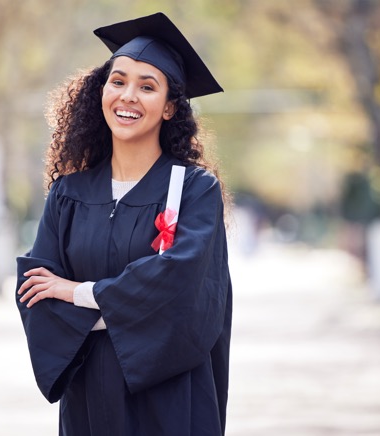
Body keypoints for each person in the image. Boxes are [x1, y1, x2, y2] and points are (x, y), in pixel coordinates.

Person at [15, 12, 232, 436]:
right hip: (89, 403)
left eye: (147, 86)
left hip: (170, 399)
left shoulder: (192, 190)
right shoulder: (68, 194)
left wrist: (79, 293)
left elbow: (185, 293)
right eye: (118, 81)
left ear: (170, 107)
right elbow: (37, 294)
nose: (128, 96)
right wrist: (126, 310)